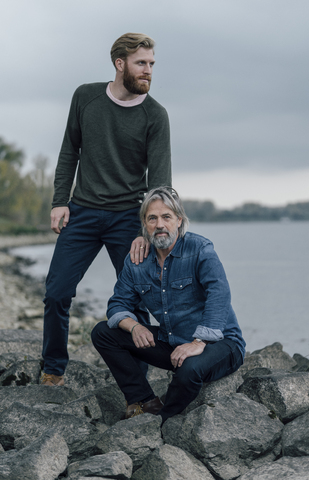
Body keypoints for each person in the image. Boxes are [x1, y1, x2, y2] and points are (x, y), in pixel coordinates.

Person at [41, 33, 171, 386]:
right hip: (81, 213)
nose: (148, 71)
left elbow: (160, 185)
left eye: (152, 64)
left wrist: (150, 231)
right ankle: (52, 369)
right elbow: (70, 151)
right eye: (141, 63)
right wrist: (59, 202)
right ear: (120, 63)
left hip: (128, 219)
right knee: (56, 293)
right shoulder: (86, 96)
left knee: (139, 298)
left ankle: (137, 382)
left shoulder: (155, 115)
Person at [91, 187, 246, 424]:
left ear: (179, 221)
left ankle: (161, 419)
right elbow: (117, 304)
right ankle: (145, 401)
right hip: (171, 342)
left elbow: (219, 293)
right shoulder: (137, 262)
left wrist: (198, 342)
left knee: (190, 369)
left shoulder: (200, 250)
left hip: (221, 343)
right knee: (104, 333)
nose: (160, 224)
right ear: (144, 224)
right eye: (152, 218)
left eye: (167, 217)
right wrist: (134, 326)